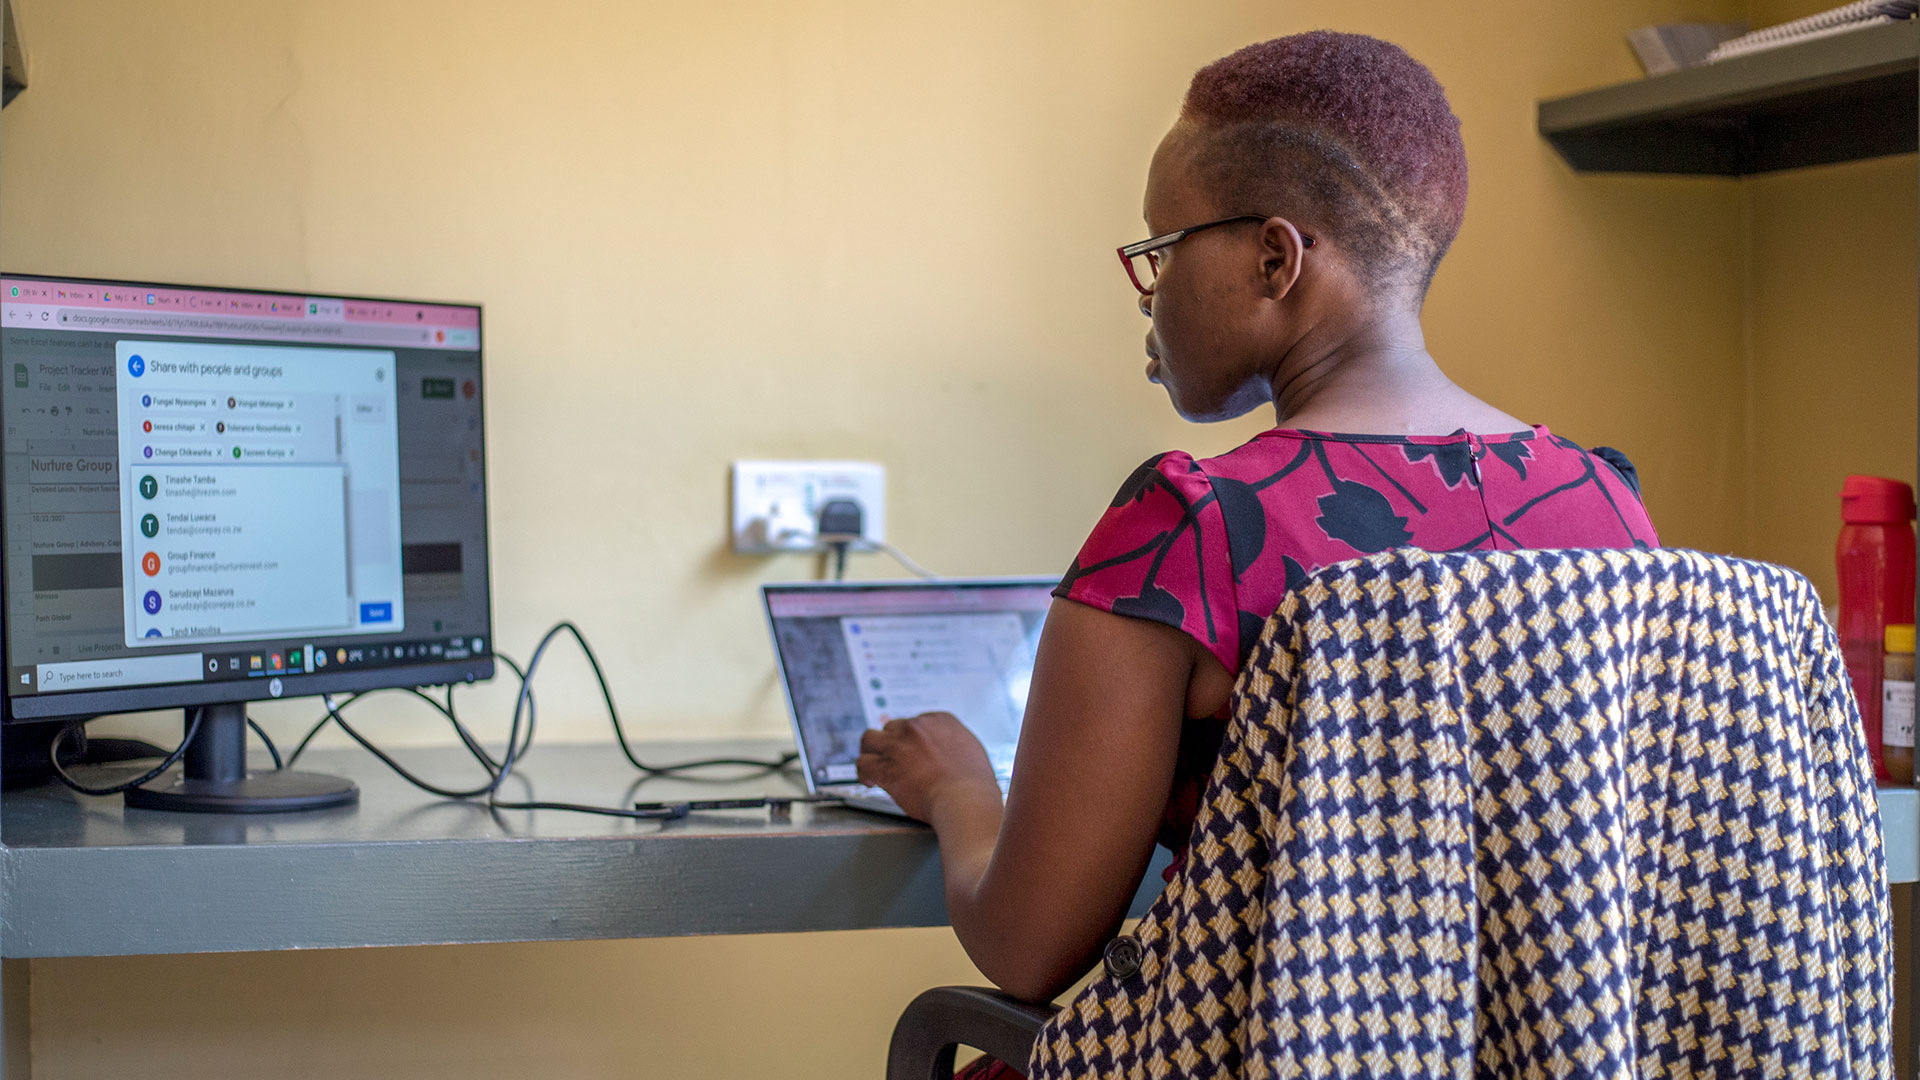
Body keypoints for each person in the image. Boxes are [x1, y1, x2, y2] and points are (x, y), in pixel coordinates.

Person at [855, 27, 1658, 1045]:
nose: (1148, 294)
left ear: (1275, 257)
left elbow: (1029, 946)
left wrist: (958, 790)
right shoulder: (1604, 504)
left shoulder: (1191, 526)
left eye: (1161, 250)